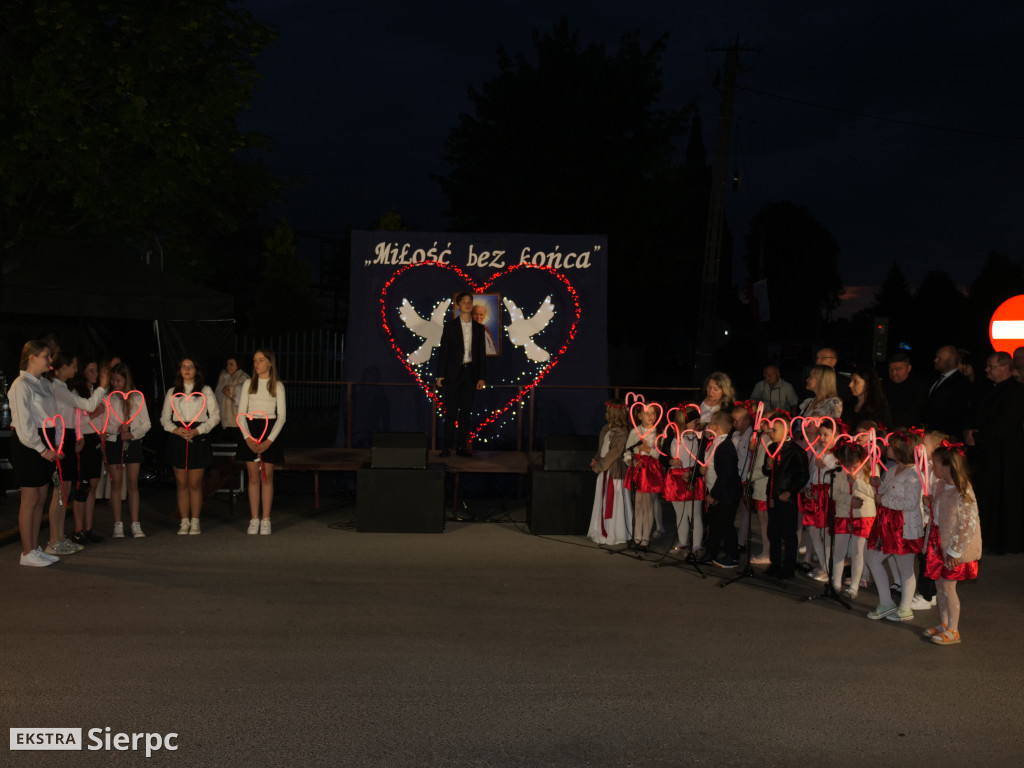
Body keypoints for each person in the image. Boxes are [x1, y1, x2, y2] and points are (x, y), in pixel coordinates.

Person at [46, 352, 109, 554]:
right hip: (61, 438)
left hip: (69, 436)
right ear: (63, 366)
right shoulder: (57, 387)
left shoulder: (62, 387)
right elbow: (88, 406)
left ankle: (60, 537)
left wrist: (79, 436)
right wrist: (103, 385)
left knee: (64, 492)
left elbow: (74, 416)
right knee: (60, 493)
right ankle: (53, 540)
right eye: (73, 366)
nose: (75, 370)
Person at [964, 351, 1024, 553]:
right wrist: (968, 431)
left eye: (992, 367)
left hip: (1005, 456)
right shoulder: (987, 389)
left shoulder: (1017, 392)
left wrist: (978, 435)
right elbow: (975, 414)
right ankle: (985, 538)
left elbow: (1005, 422)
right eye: (987, 367)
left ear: (1006, 367)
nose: (987, 370)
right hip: (984, 453)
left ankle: (1001, 542)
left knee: (1002, 499)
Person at [9, 341, 63, 566]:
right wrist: (41, 450)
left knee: (41, 496)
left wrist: (56, 446)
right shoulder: (21, 385)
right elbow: (24, 425)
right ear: (31, 357)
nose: (50, 361)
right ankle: (26, 552)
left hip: (46, 444)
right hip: (29, 446)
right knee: (30, 498)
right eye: (46, 356)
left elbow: (54, 416)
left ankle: (34, 547)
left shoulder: (43, 384)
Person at [923, 443, 982, 646]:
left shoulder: (963, 490)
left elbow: (968, 524)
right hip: (939, 542)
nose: (933, 468)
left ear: (949, 467)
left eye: (936, 465)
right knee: (940, 585)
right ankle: (944, 623)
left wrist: (955, 551)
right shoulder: (939, 485)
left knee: (948, 587)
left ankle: (954, 630)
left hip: (954, 547)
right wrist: (929, 504)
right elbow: (940, 514)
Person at [864, 431, 925, 622]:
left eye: (891, 445)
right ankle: (886, 602)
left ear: (900, 450)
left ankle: (905, 608)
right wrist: (877, 487)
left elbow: (910, 503)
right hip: (888, 525)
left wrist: (884, 499)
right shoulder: (892, 470)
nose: (887, 448)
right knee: (873, 558)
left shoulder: (914, 475)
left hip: (904, 528)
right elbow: (883, 493)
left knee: (905, 568)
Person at [160, 357, 220, 535]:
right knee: (181, 483)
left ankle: (195, 521)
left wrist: (199, 430)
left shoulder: (205, 390)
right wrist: (174, 429)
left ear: (196, 370)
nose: (187, 369)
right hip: (178, 437)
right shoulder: (172, 392)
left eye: (191, 367)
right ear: (179, 370)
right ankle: (184, 522)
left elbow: (215, 416)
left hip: (197, 437)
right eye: (184, 367)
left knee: (195, 483)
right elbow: (164, 418)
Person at [237, 349, 287, 535]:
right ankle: (254, 518)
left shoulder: (277, 386)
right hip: (251, 429)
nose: (257, 364)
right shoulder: (248, 384)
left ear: (270, 363)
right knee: (253, 476)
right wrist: (247, 438)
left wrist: (269, 441)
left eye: (261, 360)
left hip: (269, 430)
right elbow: (241, 414)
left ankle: (266, 518)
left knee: (267, 476)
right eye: (255, 360)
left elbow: (281, 416)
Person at [436, 292, 486, 456]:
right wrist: (440, 375)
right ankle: (446, 447)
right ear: (457, 305)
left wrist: (481, 376)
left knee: (465, 412)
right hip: (452, 374)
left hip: (470, 374)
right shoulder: (450, 326)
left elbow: (481, 354)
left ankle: (461, 447)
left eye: (469, 301)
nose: (467, 304)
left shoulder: (479, 328)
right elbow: (444, 351)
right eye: (463, 301)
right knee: (450, 412)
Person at [104, 363, 150, 539]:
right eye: (113, 380)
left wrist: (132, 433)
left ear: (126, 380)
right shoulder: (108, 398)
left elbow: (146, 423)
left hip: (133, 442)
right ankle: (118, 525)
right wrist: (116, 431)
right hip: (114, 443)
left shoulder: (137, 397)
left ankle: (135, 524)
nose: (115, 384)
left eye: (119, 380)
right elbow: (103, 423)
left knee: (132, 483)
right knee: (116, 483)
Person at [762, 412, 809, 579]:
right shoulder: (773, 448)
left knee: (788, 532)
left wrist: (790, 491)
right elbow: (765, 471)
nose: (771, 433)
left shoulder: (796, 451)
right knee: (773, 531)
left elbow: (804, 475)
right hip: (773, 495)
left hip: (787, 497)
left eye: (774, 430)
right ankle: (775, 563)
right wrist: (768, 466)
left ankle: (789, 566)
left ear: (787, 430)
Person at [67, 358, 106, 544]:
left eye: (96, 370)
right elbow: (75, 422)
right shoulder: (76, 393)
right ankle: (77, 529)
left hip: (94, 439)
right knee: (82, 487)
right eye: (91, 370)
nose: (96, 374)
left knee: (92, 486)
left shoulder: (93, 392)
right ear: (82, 372)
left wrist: (102, 431)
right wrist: (94, 415)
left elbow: (97, 417)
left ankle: (88, 528)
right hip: (82, 441)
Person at [830, 441, 876, 598]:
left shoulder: (869, 471)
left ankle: (854, 586)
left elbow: (873, 492)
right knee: (839, 551)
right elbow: (834, 493)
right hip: (843, 514)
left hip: (863, 516)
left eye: (854, 466)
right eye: (847, 466)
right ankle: (835, 583)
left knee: (857, 552)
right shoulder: (838, 472)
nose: (850, 470)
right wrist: (849, 500)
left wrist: (857, 481)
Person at [698, 411, 742, 568]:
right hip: (715, 490)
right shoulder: (714, 443)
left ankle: (733, 556)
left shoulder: (725, 446)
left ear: (715, 427)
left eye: (709, 423)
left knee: (725, 524)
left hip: (726, 493)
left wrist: (714, 494)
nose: (708, 426)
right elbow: (712, 466)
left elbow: (726, 474)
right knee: (715, 524)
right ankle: (711, 553)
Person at [798, 419, 838, 581]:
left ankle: (829, 569)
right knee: (813, 530)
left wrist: (826, 468)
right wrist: (808, 488)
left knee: (826, 533)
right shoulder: (816, 451)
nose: (821, 438)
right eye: (820, 434)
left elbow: (839, 476)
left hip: (827, 497)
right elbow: (811, 472)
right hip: (814, 495)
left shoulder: (838, 456)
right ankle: (823, 565)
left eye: (826, 434)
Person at [587, 399, 631, 548]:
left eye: (608, 411)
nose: (606, 413)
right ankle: (601, 530)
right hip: (604, 472)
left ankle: (614, 533)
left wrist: (601, 466)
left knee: (613, 503)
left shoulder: (622, 432)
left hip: (613, 473)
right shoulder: (606, 429)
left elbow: (614, 453)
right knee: (603, 502)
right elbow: (602, 449)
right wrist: (595, 459)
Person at [664, 405, 704, 555]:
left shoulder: (699, 438)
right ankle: (683, 541)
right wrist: (669, 461)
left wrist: (692, 472)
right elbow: (664, 456)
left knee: (694, 513)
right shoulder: (671, 437)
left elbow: (701, 459)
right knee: (680, 512)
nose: (698, 425)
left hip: (691, 477)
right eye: (695, 422)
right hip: (675, 478)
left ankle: (697, 544)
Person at [623, 403, 663, 551]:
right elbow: (627, 451)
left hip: (651, 471)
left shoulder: (658, 432)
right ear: (639, 416)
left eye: (653, 413)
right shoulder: (635, 432)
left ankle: (646, 538)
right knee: (638, 503)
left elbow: (661, 455)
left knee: (649, 504)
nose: (651, 416)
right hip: (638, 469)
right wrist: (630, 461)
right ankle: (637, 536)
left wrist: (647, 449)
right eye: (647, 413)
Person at [921, 345, 971, 438]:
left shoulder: (961, 382)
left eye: (939, 358)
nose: (935, 360)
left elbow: (955, 413)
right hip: (929, 432)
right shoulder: (935, 379)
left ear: (950, 361)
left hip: (943, 435)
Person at [883, 352, 927, 429]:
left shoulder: (918, 387)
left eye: (898, 369)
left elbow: (914, 414)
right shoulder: (884, 385)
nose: (894, 373)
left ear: (909, 368)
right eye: (891, 369)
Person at [215, 355, 248, 435]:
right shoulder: (225, 377)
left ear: (238, 365)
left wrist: (229, 394)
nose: (228, 367)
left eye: (231, 364)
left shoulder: (243, 378)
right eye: (227, 364)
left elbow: (242, 402)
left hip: (237, 423)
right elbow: (217, 397)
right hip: (225, 422)